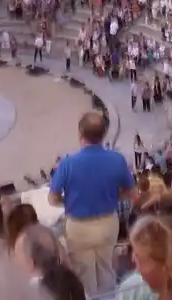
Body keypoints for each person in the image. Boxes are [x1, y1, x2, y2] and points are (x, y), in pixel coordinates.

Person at [48, 112, 134, 296]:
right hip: (108, 224)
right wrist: (113, 198)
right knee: (107, 270)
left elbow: (52, 198)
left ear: (80, 134)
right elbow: (130, 191)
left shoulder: (68, 164)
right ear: (103, 135)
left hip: (79, 227)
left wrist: (68, 201)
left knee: (84, 276)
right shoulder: (117, 159)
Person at [12, 225, 85, 300]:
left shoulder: (31, 293)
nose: (15, 260)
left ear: (31, 263)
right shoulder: (72, 280)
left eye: (17, 254)